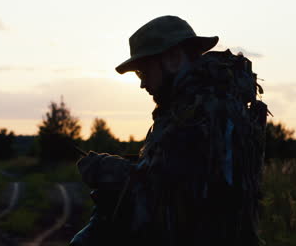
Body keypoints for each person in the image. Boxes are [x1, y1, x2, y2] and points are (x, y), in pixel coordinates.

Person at [70, 15, 267, 246]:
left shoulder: (207, 112)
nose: (143, 84)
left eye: (143, 72)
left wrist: (114, 173)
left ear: (173, 58)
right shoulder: (193, 107)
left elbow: (175, 204)